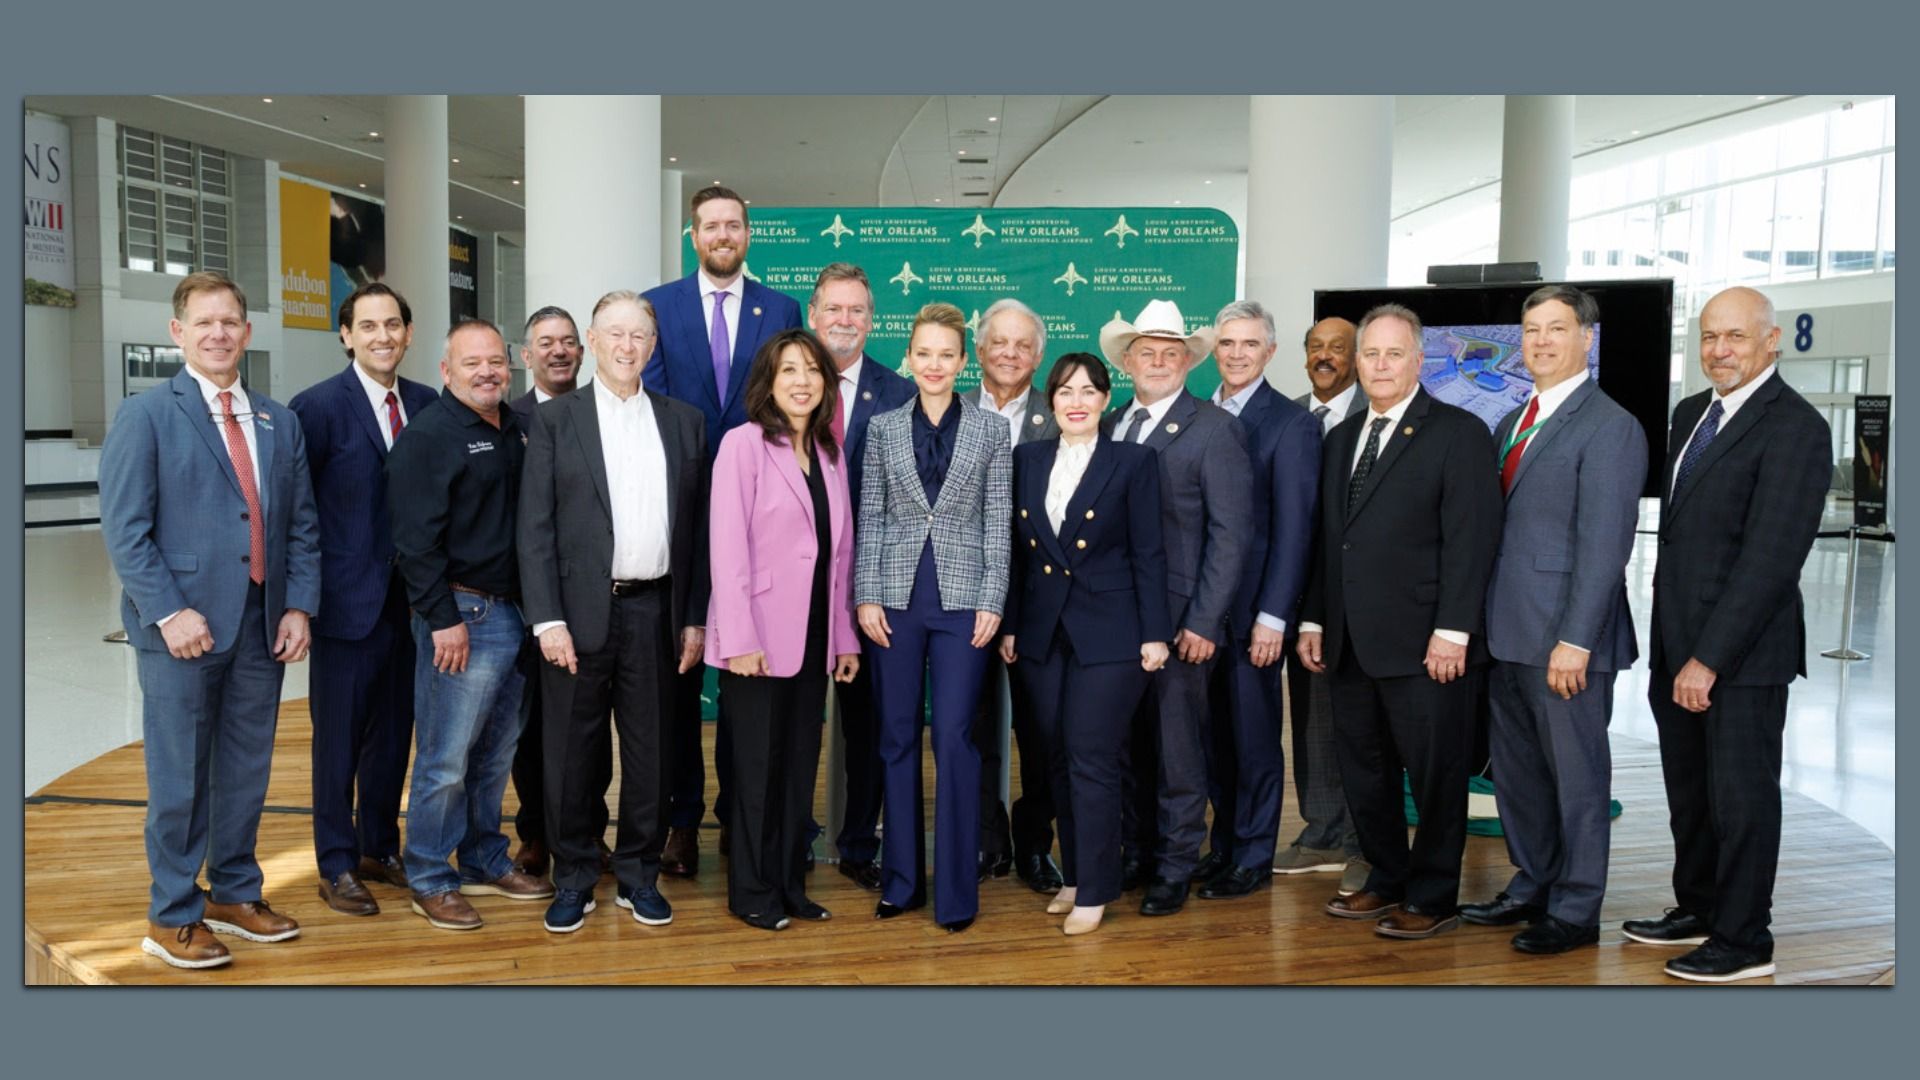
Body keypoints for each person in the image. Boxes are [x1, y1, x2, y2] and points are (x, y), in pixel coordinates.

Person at [100, 271, 320, 968]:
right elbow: (126, 531)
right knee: (179, 778)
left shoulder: (277, 420)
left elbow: (303, 526)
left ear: (247, 333)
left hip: (260, 626)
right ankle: (171, 915)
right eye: (204, 323)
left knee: (246, 771)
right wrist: (168, 613)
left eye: (231, 322)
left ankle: (234, 889)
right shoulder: (147, 416)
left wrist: (297, 604)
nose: (219, 333)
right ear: (178, 333)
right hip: (182, 635)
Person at [1625, 285, 1830, 982]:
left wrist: (1708, 659)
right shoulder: (1690, 415)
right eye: (1711, 336)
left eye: (1736, 337)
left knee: (1742, 801)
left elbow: (1770, 559)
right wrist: (1677, 654)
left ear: (1772, 341)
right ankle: (1701, 906)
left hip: (1741, 658)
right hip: (1676, 645)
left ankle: (1744, 939)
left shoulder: (1795, 427)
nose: (1720, 350)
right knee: (1691, 792)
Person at [1296, 303, 1501, 941]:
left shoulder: (1458, 433)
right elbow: (1329, 541)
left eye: (1393, 354)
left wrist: (1454, 630)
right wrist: (1312, 619)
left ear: (1419, 361)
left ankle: (1435, 894)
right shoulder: (1339, 437)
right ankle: (1386, 876)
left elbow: (1472, 542)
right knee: (1365, 767)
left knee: (1436, 773)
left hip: (1425, 643)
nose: (1380, 365)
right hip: (1350, 641)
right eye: (1371, 355)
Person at [1458, 285, 1647, 955]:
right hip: (1508, 632)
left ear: (1586, 340)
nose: (1540, 341)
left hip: (1566, 640)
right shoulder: (1514, 419)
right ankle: (1532, 882)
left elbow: (1604, 547)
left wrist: (1575, 639)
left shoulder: (1611, 426)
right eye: (1531, 330)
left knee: (1578, 779)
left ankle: (1575, 908)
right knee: (1518, 775)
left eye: (1556, 329)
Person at [518, 291, 709, 934]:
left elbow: (696, 533)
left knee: (652, 752)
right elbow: (534, 528)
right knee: (571, 756)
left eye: (639, 336)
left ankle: (638, 875)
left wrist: (694, 617)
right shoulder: (551, 421)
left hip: (657, 610)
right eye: (614, 334)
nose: (628, 346)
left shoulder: (685, 422)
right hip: (575, 616)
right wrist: (546, 620)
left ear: (653, 347)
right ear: (592, 342)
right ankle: (572, 877)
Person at [643, 185, 805, 878]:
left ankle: (746, 816)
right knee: (679, 677)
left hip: (759, 514)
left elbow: (787, 402)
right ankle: (681, 822)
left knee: (753, 678)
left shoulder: (783, 309)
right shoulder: (659, 306)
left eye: (734, 225)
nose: (722, 234)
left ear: (748, 233)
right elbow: (649, 399)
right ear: (693, 235)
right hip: (678, 512)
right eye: (710, 225)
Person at [387, 317, 554, 931]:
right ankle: (429, 873)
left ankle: (484, 856)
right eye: (472, 363)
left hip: (516, 613)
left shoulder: (513, 426)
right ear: (446, 371)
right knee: (445, 758)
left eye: (495, 362)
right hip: (464, 616)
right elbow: (413, 541)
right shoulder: (429, 435)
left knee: (494, 754)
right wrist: (442, 620)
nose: (487, 372)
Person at [1000, 352, 1170, 936]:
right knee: (1054, 758)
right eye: (1066, 390)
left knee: (1092, 756)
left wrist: (1155, 634)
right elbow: (1019, 558)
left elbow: (1150, 553)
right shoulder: (1027, 458)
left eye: (1089, 391)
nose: (1076, 400)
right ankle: (1073, 876)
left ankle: (1096, 889)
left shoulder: (1134, 461)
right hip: (1043, 636)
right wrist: (1014, 626)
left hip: (1114, 634)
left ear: (1104, 400)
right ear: (1051, 400)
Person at [855, 301, 1012, 933]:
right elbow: (871, 516)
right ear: (910, 356)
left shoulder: (992, 431)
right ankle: (900, 883)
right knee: (894, 737)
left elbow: (997, 522)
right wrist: (865, 594)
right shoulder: (883, 428)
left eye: (948, 354)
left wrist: (993, 599)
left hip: (964, 603)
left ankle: (956, 890)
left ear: (963, 359)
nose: (935, 364)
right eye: (925, 353)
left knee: (953, 737)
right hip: (893, 600)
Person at [288, 282, 436, 916]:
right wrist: (301, 599)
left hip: (414, 606)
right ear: (346, 335)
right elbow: (297, 511)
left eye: (393, 325)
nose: (383, 336)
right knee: (339, 742)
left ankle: (380, 845)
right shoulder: (316, 407)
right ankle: (337, 862)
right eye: (367, 326)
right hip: (345, 605)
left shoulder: (429, 404)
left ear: (408, 333)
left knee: (393, 735)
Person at [707, 329, 863, 930]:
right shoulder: (742, 446)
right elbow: (728, 549)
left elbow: (839, 555)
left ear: (826, 383)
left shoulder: (829, 449)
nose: (802, 381)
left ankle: (790, 886)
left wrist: (844, 637)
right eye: (788, 370)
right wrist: (739, 638)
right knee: (755, 772)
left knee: (798, 768)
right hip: (758, 639)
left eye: (812, 371)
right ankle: (751, 891)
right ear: (768, 383)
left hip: (815, 637)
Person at [1099, 299, 1251, 918]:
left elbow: (1231, 535)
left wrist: (1204, 621)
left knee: (1177, 749)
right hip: (1114, 621)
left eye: (1170, 353)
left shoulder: (1215, 428)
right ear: (1128, 360)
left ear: (1188, 361)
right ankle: (1137, 851)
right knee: (1125, 745)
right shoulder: (1107, 422)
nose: (1157, 362)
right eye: (1146, 352)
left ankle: (1176, 864)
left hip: (1182, 620)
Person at [1195, 301, 1321, 901]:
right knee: (1213, 739)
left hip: (1254, 619)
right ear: (1213, 351)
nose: (1238, 354)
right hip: (1201, 615)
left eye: (1250, 344)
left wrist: (1275, 615)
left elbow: (1295, 530)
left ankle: (1252, 855)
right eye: (1228, 344)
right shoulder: (1198, 414)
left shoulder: (1291, 425)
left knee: (1254, 741)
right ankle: (1222, 847)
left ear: (1270, 352)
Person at [807, 263, 915, 892]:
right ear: (814, 314)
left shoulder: (898, 393)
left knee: (870, 723)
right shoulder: (782, 380)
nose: (845, 321)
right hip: (792, 586)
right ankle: (786, 835)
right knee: (788, 721)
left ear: (871, 320)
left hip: (871, 587)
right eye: (834, 310)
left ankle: (856, 842)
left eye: (857, 311)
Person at [504, 306, 609, 880]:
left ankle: (591, 832)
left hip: (591, 599)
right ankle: (536, 835)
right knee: (532, 730)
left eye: (569, 341)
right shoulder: (508, 417)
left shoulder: (602, 413)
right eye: (546, 343)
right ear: (527, 356)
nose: (559, 351)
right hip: (527, 601)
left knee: (591, 729)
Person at [965, 297, 1063, 892]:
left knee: (1044, 731)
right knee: (969, 726)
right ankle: (985, 838)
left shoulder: (1064, 415)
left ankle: (1034, 843)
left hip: (1039, 605)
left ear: (1039, 355)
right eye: (998, 342)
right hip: (964, 596)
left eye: (1023, 345)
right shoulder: (943, 412)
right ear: (978, 350)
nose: (1009, 353)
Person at [1279, 316, 1369, 891]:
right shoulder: (1291, 416)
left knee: (1360, 722)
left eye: (1339, 348)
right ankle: (1321, 831)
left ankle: (1365, 840)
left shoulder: (1376, 416)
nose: (1326, 357)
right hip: (1297, 591)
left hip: (1359, 593)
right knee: (1310, 715)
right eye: (1317, 347)